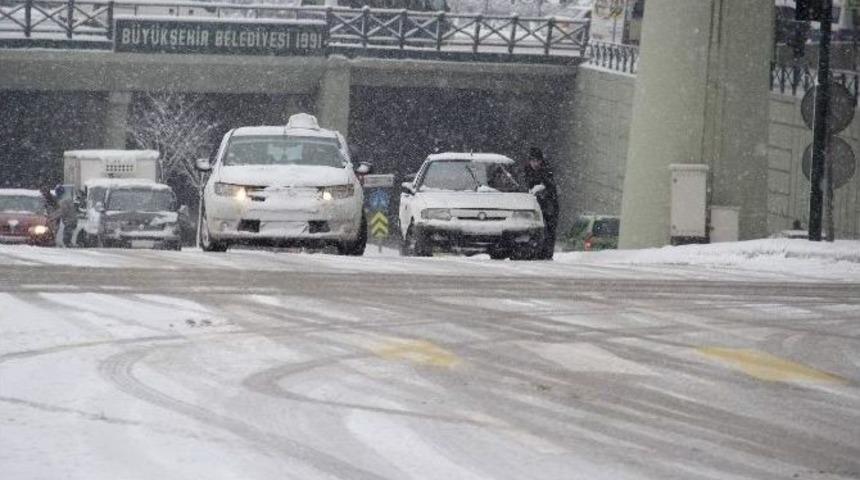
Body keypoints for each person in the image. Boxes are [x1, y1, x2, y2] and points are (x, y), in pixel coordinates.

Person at [523, 147, 559, 260]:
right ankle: (533, 252)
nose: (534, 163)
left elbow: (551, 186)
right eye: (532, 161)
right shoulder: (526, 169)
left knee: (549, 229)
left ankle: (547, 254)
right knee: (533, 229)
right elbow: (525, 183)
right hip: (533, 203)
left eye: (536, 161)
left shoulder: (546, 169)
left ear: (540, 161)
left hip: (549, 203)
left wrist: (541, 189)